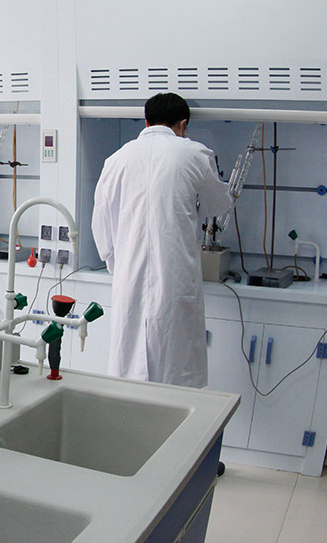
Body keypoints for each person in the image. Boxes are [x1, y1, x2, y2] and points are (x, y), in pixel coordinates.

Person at [91, 92, 232, 389]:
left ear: (146, 122)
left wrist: (117, 265)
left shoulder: (116, 160)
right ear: (183, 124)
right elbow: (219, 204)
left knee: (130, 377)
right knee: (175, 375)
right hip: (175, 280)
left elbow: (101, 224)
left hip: (128, 280)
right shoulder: (194, 154)